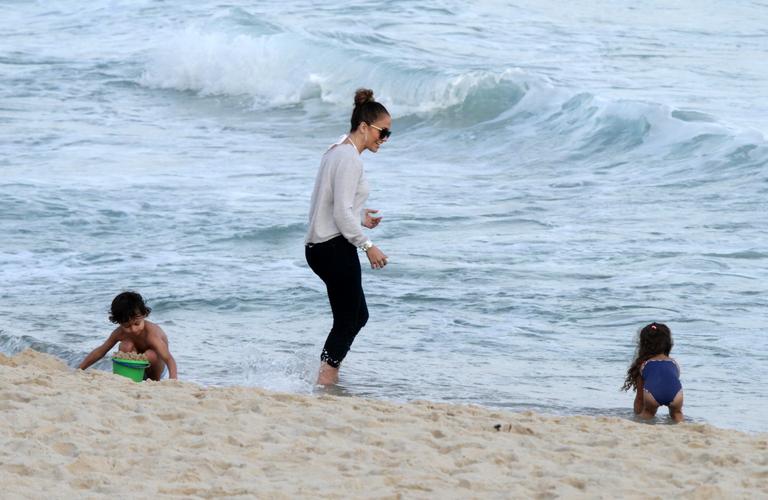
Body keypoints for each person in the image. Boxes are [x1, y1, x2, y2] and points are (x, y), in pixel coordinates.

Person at [304, 88, 392, 385]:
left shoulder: (337, 148)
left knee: (356, 315)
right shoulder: (350, 158)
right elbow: (340, 213)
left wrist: (360, 216)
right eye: (383, 132)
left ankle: (328, 372)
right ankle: (326, 377)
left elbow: (335, 203)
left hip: (322, 245)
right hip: (332, 246)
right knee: (349, 318)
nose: (385, 139)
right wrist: (368, 245)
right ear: (364, 127)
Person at [79, 291, 178, 380]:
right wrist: (80, 369)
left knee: (151, 354)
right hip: (134, 368)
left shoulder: (152, 334)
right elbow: (101, 351)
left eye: (136, 324)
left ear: (144, 315)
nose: (133, 330)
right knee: (126, 345)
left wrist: (173, 379)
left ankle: (154, 381)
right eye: (127, 326)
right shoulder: (120, 333)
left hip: (155, 369)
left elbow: (169, 359)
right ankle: (130, 378)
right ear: (119, 322)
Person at [621, 322, 683, 422]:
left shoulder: (643, 364)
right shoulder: (674, 363)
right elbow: (673, 380)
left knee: (648, 413)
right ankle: (683, 428)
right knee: (677, 413)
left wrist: (637, 416)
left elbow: (640, 398)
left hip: (652, 396)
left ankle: (641, 426)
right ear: (668, 344)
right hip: (676, 395)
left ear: (643, 344)